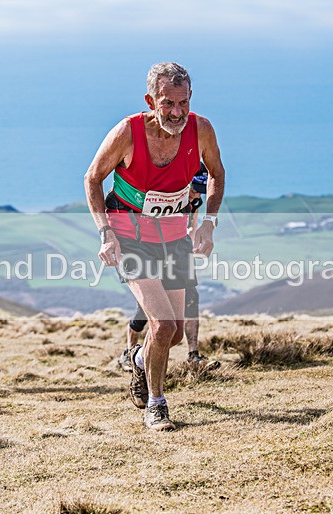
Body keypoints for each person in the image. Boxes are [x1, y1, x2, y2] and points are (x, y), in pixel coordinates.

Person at [84, 62, 225, 431]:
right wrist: (105, 232)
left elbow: (217, 174)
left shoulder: (202, 130)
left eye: (183, 103)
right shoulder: (127, 132)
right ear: (151, 100)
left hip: (174, 239)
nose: (177, 113)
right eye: (167, 104)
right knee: (162, 326)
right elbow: (93, 178)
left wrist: (208, 223)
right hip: (128, 237)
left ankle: (139, 359)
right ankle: (156, 404)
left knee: (175, 334)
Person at [118, 163, 220, 372]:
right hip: (151, 252)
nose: (194, 196)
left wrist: (192, 241)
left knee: (190, 301)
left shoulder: (195, 200)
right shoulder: (167, 194)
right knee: (144, 311)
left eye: (199, 192)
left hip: (179, 254)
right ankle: (130, 352)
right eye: (193, 190)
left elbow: (192, 222)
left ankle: (193, 354)